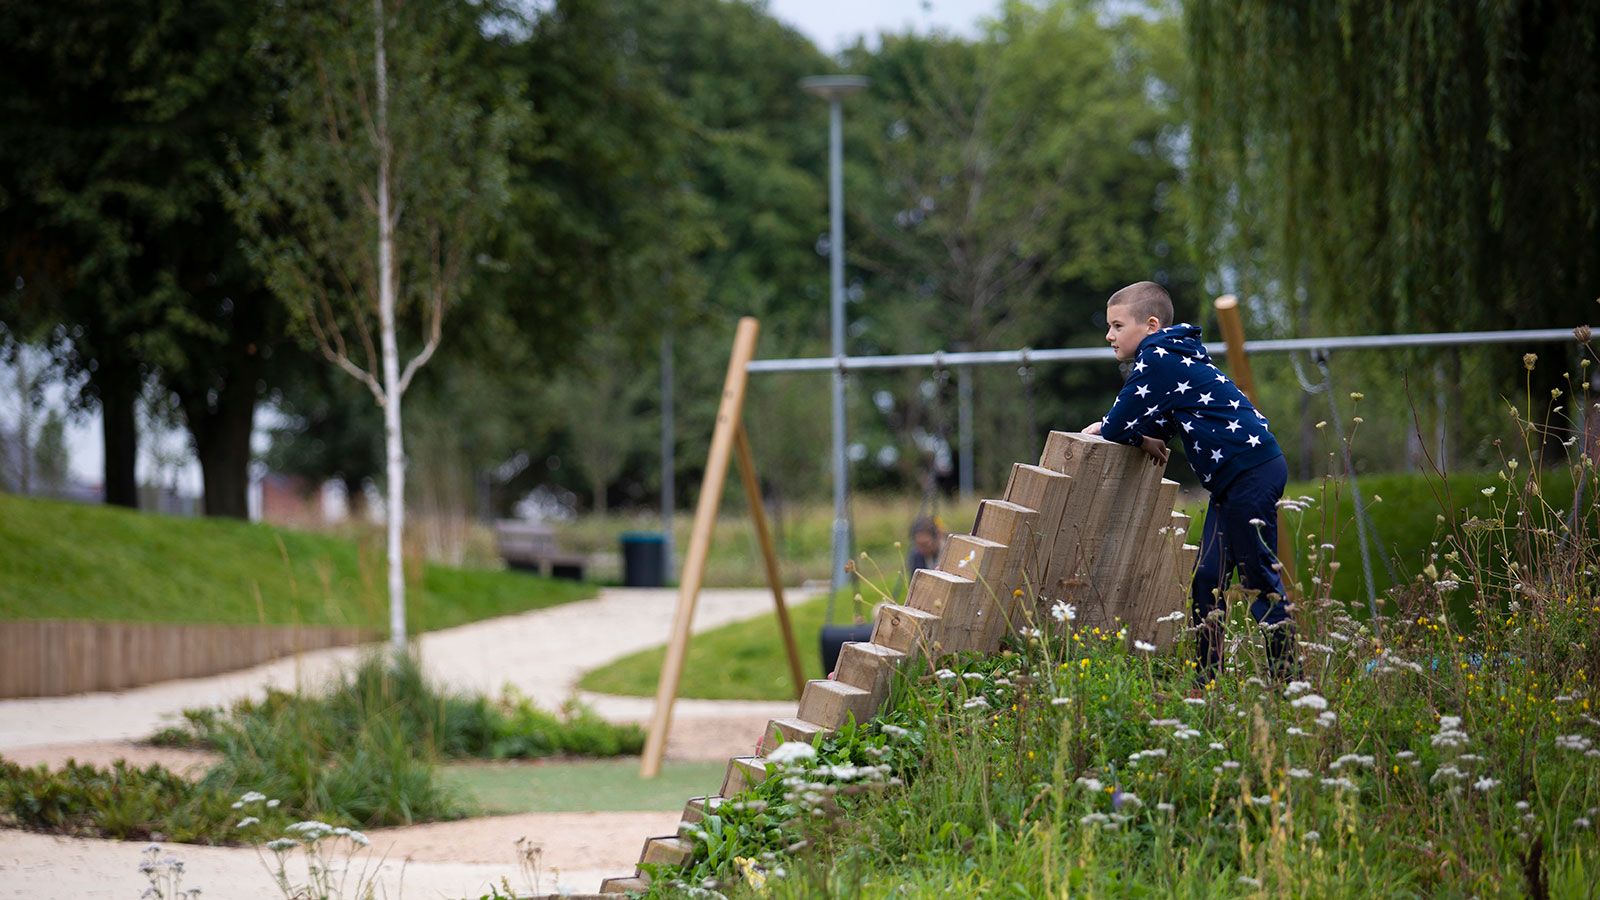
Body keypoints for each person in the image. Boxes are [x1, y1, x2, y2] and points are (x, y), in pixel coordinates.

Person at [1082, 281, 1298, 685]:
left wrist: (1104, 428)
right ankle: (1206, 679)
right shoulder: (1174, 355)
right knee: (1208, 577)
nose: (1108, 336)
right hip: (1236, 478)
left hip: (1249, 472)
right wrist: (1147, 436)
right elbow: (1159, 422)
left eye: (1116, 325)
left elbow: (1117, 425)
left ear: (1149, 325)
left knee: (1259, 580)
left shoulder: (1157, 357)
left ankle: (1289, 681)